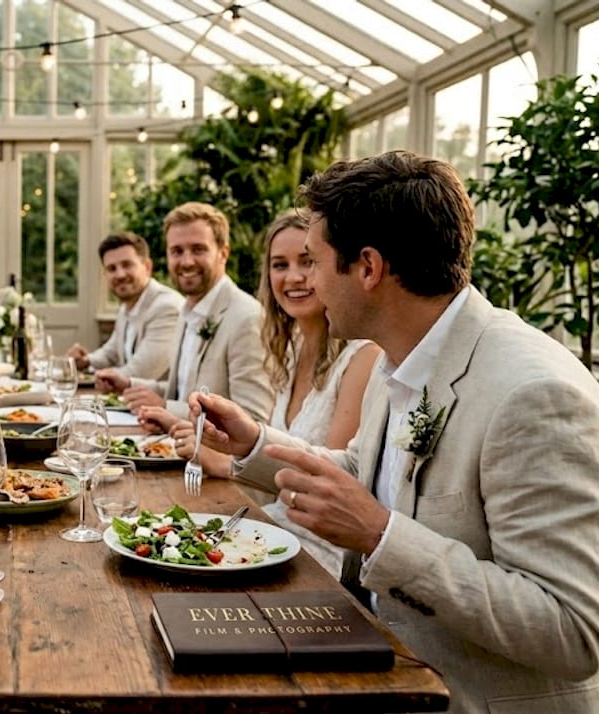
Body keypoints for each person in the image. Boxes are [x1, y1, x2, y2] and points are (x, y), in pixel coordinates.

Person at [193, 151, 599, 714]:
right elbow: (366, 476)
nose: (309, 281)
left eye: (317, 261)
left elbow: (573, 631)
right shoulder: (398, 360)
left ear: (368, 268)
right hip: (382, 671)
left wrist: (379, 536)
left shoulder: (535, 394)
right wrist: (255, 443)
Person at [174, 208, 379, 574]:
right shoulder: (291, 348)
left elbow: (331, 486)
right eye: (279, 265)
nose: (294, 277)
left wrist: (227, 463)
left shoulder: (362, 356)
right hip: (267, 534)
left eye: (308, 261)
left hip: (318, 558)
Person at [96, 201, 273, 433]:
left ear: (223, 253)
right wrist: (130, 384)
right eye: (177, 251)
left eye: (198, 249)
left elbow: (254, 420)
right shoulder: (186, 311)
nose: (186, 261)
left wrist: (166, 408)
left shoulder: (246, 318)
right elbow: (183, 391)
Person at [67, 231, 182, 381]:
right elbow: (111, 352)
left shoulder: (166, 307)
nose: (120, 275)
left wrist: (95, 376)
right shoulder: (127, 305)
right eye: (111, 268)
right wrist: (85, 361)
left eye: (127, 265)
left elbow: (141, 372)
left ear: (147, 266)